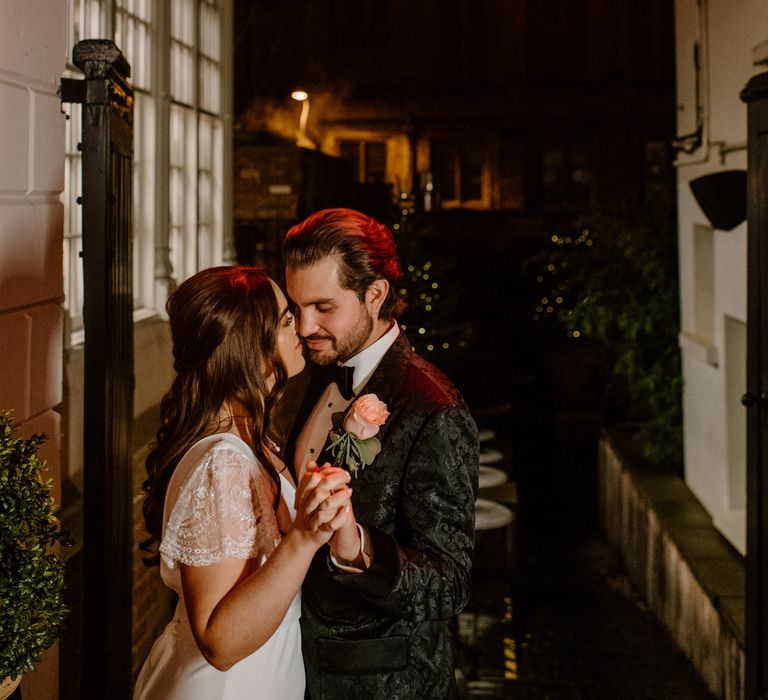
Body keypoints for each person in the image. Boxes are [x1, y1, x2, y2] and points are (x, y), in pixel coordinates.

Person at [283, 208, 480, 698]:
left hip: (381, 684)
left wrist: (358, 551)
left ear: (375, 294)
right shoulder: (324, 371)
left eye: (324, 307)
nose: (306, 326)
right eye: (297, 306)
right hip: (295, 666)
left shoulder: (433, 409)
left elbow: (449, 584)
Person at [133, 266, 354, 700]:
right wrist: (304, 539)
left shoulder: (253, 441)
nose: (302, 329)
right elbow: (219, 641)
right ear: (247, 344)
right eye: (287, 320)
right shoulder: (222, 465)